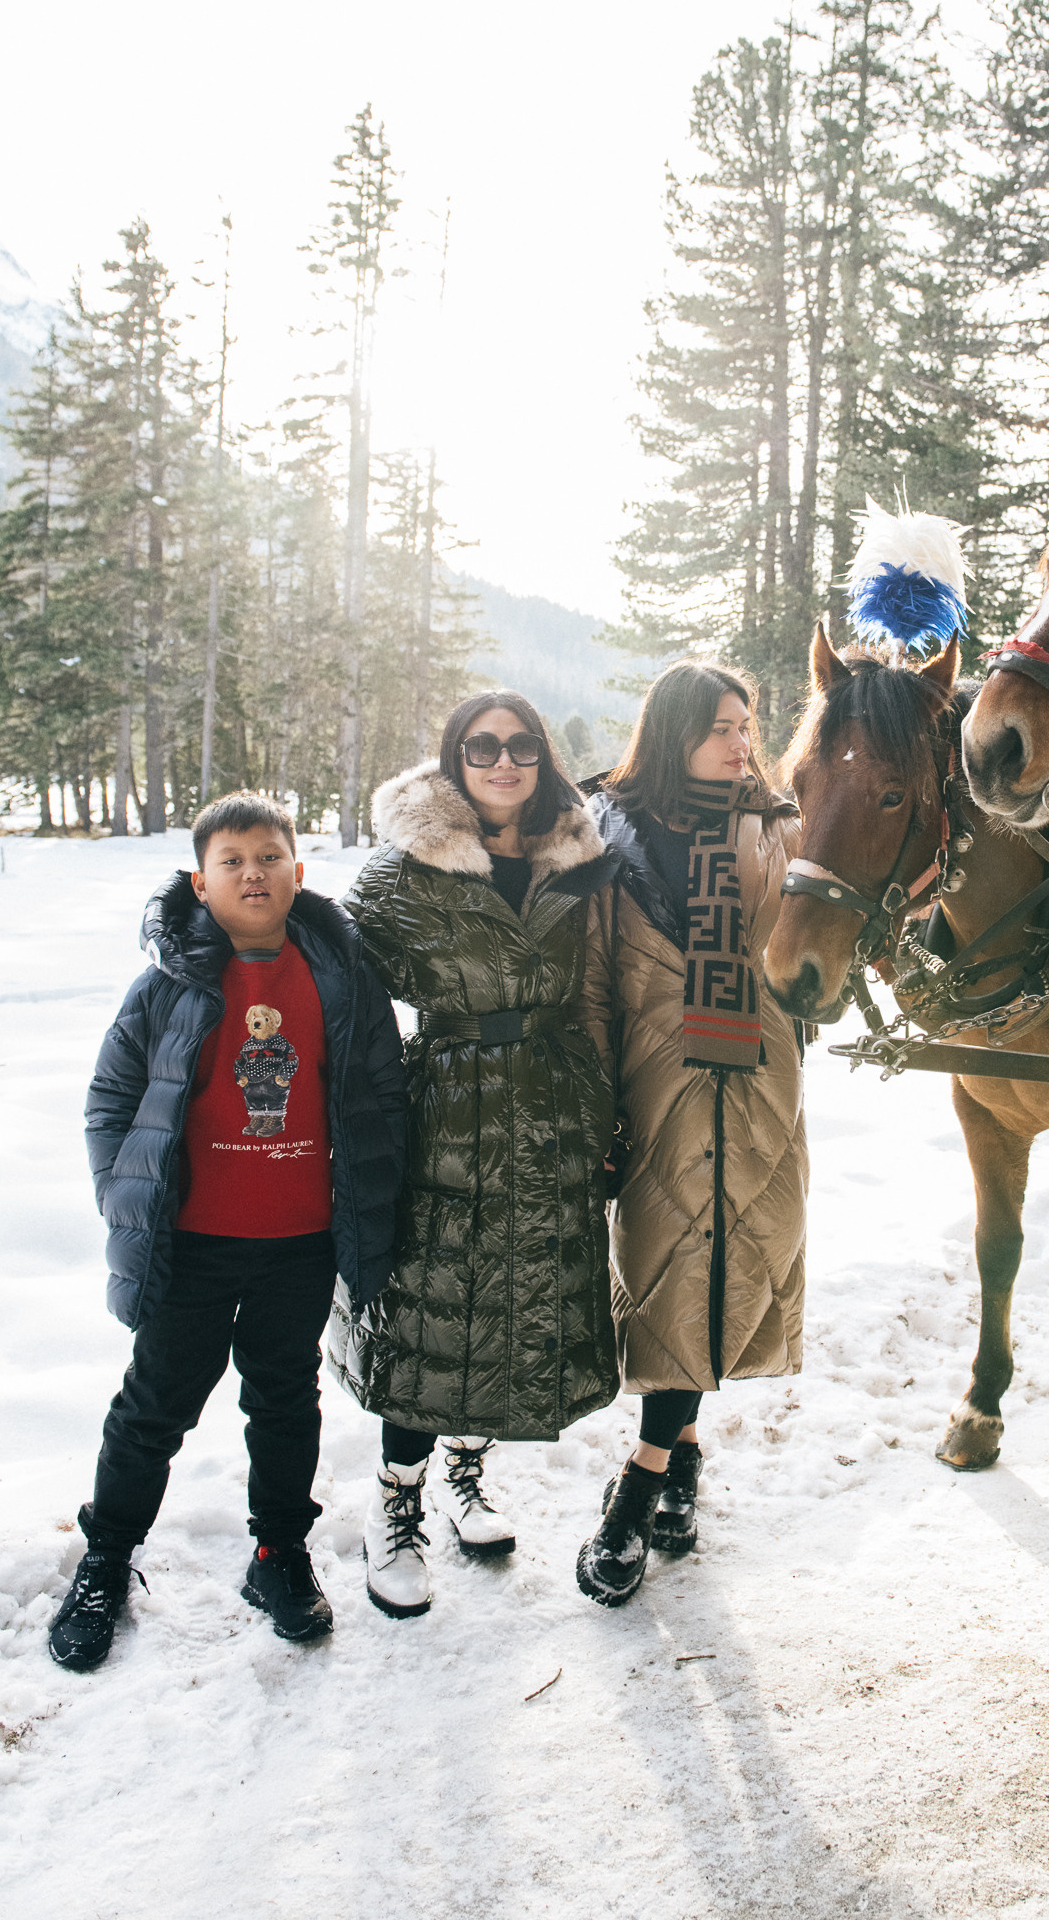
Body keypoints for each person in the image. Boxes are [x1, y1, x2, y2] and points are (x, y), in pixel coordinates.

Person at [48, 793, 408, 1672]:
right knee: (153, 1408)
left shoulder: (342, 978)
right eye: (233, 861)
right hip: (192, 1247)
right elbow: (110, 1101)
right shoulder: (170, 984)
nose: (254, 873)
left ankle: (277, 1554)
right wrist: (130, 1197)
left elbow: (378, 1099)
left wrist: (368, 1209)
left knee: (284, 1400)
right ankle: (107, 1560)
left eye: (270, 856)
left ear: (298, 871)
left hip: (300, 1243)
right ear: (200, 883)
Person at [329, 691, 618, 1617]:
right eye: (482, 746)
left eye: (521, 745)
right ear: (454, 760)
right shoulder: (401, 870)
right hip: (444, 1110)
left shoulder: (577, 863)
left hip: (549, 1104)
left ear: (543, 759)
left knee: (504, 1300)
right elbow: (332, 978)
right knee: (434, 1312)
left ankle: (464, 1476)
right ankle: (394, 1506)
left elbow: (609, 987)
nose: (503, 761)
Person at [574, 662, 809, 1606]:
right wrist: (592, 1098)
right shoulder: (603, 829)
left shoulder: (779, 824)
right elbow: (589, 975)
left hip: (756, 1083)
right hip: (650, 1081)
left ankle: (636, 1487)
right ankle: (683, 1457)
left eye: (746, 725)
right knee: (668, 1273)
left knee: (724, 1266)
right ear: (671, 732)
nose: (739, 741)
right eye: (719, 726)